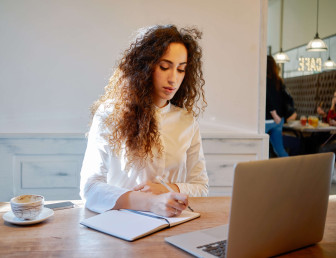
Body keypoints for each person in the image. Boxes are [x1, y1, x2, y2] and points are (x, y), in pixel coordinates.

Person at [80, 25, 209, 218]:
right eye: (164, 67)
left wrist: (164, 189)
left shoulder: (186, 121)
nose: (173, 78)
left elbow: (201, 187)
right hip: (120, 221)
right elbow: (90, 188)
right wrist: (150, 203)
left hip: (171, 222)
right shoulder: (110, 114)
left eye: (181, 70)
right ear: (144, 66)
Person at [265, 55, 289, 157]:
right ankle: (292, 169)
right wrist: (281, 117)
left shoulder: (263, 80)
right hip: (278, 121)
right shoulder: (279, 81)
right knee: (279, 150)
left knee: (260, 148)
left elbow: (267, 98)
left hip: (267, 120)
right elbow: (286, 100)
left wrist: (274, 114)